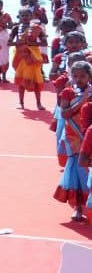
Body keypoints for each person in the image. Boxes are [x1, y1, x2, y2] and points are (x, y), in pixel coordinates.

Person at [57, 61, 92, 221]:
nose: (78, 79)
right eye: (75, 76)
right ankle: (78, 207)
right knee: (77, 172)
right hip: (74, 137)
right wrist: (83, 99)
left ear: (89, 76)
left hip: (88, 135)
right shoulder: (68, 92)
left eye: (82, 76)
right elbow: (64, 114)